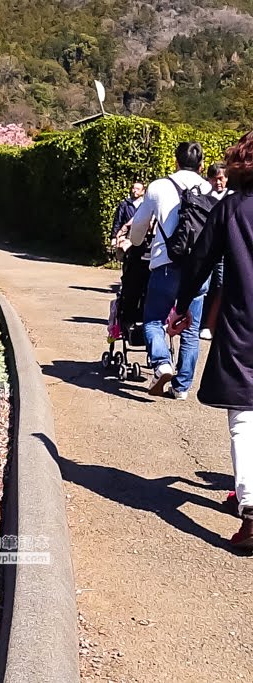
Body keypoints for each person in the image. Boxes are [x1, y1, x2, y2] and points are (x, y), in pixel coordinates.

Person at [167, 132, 253, 549]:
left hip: (243, 323)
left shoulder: (231, 208)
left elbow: (200, 258)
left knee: (244, 414)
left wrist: (183, 305)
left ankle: (251, 510)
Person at [128, 142, 213, 399]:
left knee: (154, 319)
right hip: (199, 269)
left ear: (175, 162)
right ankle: (181, 387)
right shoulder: (210, 189)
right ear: (201, 165)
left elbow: (139, 228)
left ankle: (162, 362)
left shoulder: (158, 186)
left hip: (165, 264)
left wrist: (135, 242)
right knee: (190, 326)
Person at [200, 163, 230, 341]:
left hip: (224, 252)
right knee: (202, 287)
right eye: (214, 179)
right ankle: (200, 321)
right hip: (207, 250)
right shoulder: (204, 197)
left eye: (221, 178)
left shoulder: (232, 197)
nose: (218, 182)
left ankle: (212, 324)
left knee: (220, 286)